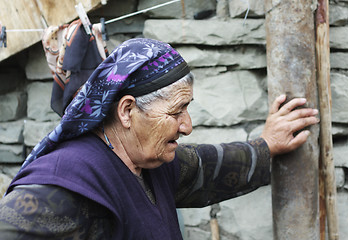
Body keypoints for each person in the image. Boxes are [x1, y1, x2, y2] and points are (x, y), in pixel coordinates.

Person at [0, 38, 319, 239]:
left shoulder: (151, 163)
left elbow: (208, 168)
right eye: (177, 111)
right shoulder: (64, 185)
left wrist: (267, 144)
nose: (187, 126)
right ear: (127, 110)